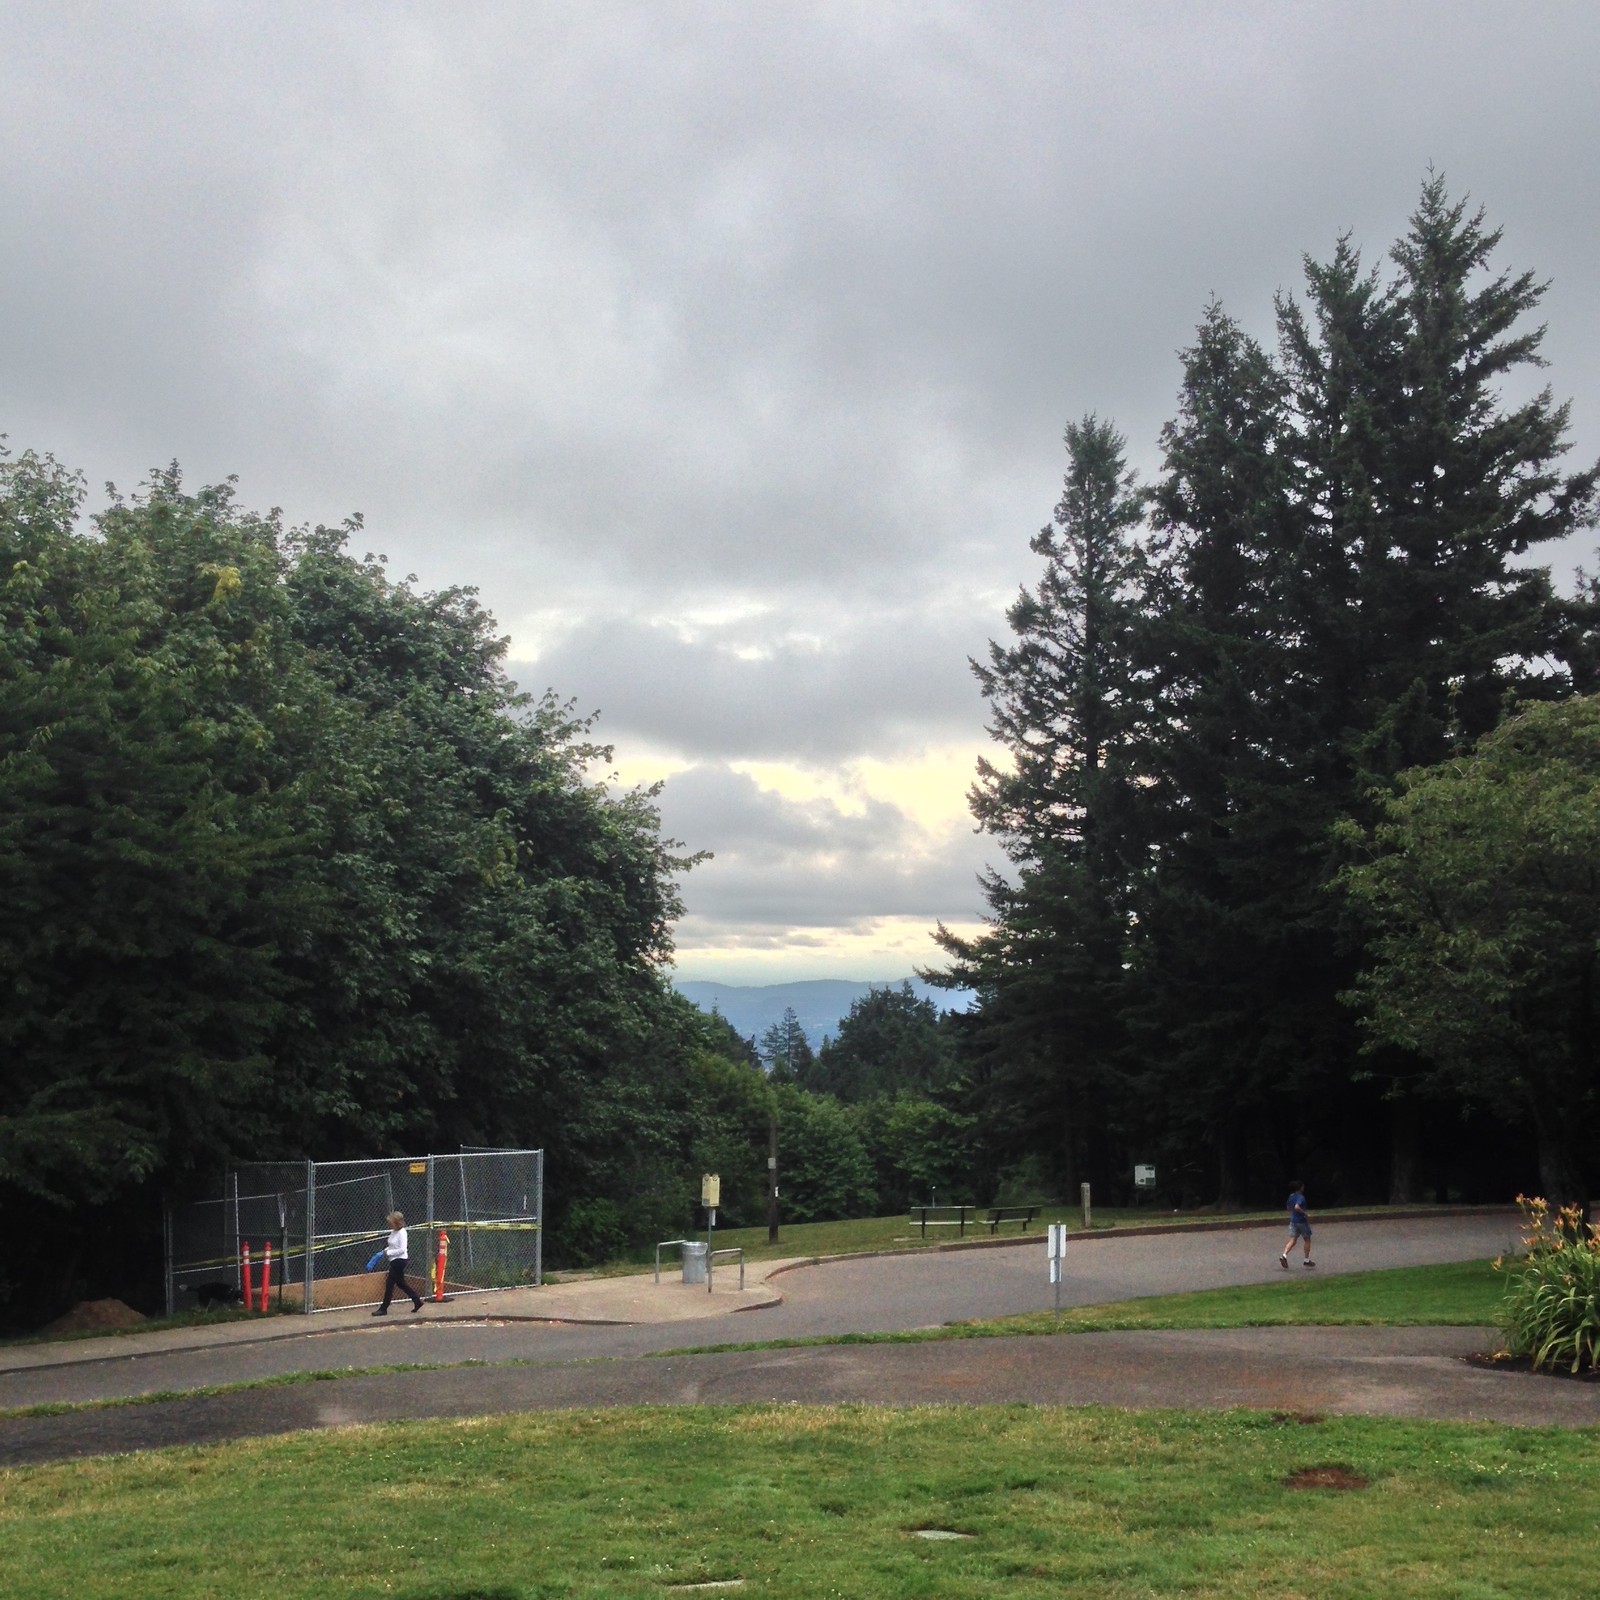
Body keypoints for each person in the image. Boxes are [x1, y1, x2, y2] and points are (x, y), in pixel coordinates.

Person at [374, 1210, 425, 1314]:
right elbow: (392, 1245)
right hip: (394, 1260)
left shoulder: (402, 1233)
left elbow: (401, 1249)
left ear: (396, 1222)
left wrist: (388, 1253)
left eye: (391, 1222)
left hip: (400, 1261)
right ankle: (417, 1301)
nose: (389, 1224)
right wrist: (384, 1251)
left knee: (389, 1284)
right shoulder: (394, 1232)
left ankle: (383, 1308)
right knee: (401, 1283)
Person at [1279, 1181, 1314, 1269]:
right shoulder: (1301, 1197)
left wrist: (1293, 1212)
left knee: (1293, 1240)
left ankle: (1284, 1255)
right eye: (1303, 1186)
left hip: (1293, 1221)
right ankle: (1306, 1260)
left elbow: (1288, 1207)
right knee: (1307, 1239)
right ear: (1300, 1188)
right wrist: (1305, 1214)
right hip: (1301, 1221)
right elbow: (1297, 1207)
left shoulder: (1291, 1196)